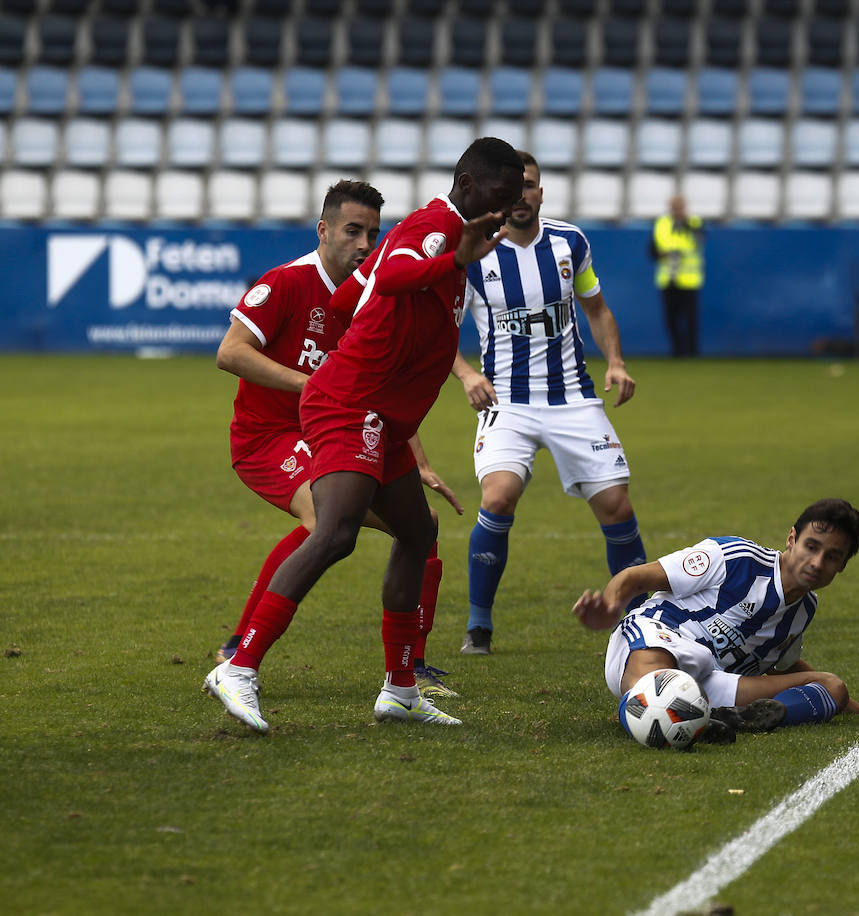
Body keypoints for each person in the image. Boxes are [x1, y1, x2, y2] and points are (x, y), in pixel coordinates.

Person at [204, 138, 525, 733]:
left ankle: (401, 689)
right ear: (468, 184)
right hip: (349, 405)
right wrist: (454, 260)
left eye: (514, 199)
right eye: (499, 197)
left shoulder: (434, 237)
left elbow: (366, 288)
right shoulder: (436, 231)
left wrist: (373, 323)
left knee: (417, 530)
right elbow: (402, 271)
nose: (505, 210)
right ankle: (240, 663)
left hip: (381, 414)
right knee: (334, 532)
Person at [212, 180, 457, 703]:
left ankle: (411, 669)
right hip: (269, 439)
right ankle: (238, 651)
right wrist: (311, 383)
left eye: (373, 232)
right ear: (323, 230)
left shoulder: (369, 292)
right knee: (326, 524)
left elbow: (381, 388)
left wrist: (420, 461)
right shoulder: (286, 283)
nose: (365, 244)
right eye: (352, 231)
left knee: (423, 527)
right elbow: (230, 352)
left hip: (339, 434)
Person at [450, 150, 646, 656]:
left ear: (541, 191)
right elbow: (437, 329)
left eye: (530, 186)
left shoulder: (570, 242)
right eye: (513, 189)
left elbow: (597, 309)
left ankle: (648, 617)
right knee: (497, 498)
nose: (522, 197)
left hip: (573, 398)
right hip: (505, 400)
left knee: (616, 506)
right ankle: (479, 626)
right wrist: (467, 372)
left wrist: (617, 362)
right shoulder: (473, 252)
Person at [572, 498, 859, 746]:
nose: (816, 562)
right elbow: (637, 576)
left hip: (711, 681)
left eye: (832, 557)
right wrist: (612, 605)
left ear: (842, 566)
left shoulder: (803, 610)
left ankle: (727, 719)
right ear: (791, 539)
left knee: (832, 686)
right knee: (662, 679)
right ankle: (652, 708)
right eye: (811, 547)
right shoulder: (735, 557)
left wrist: (853, 706)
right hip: (657, 637)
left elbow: (784, 666)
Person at [650, 194, 704, 357]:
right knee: (671, 318)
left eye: (680, 206)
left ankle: (692, 351)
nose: (677, 209)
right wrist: (664, 254)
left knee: (690, 318)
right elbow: (652, 251)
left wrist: (686, 226)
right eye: (675, 206)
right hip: (668, 279)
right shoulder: (662, 223)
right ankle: (677, 350)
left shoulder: (694, 223)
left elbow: (699, 241)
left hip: (689, 280)